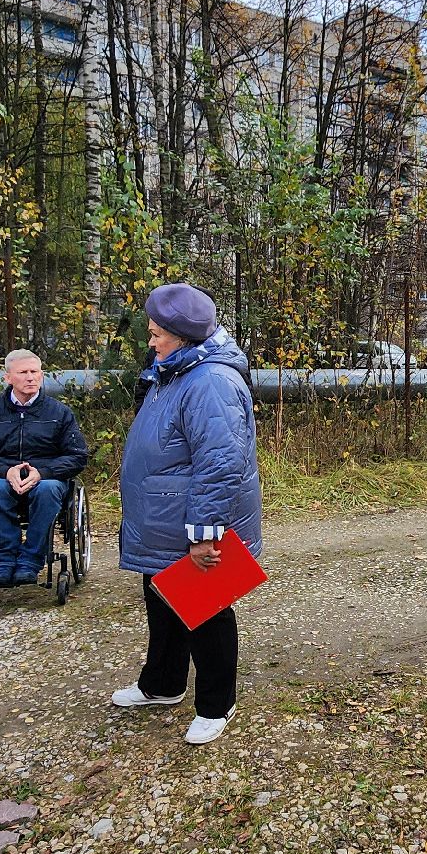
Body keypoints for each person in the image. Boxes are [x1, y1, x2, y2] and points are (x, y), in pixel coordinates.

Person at [112, 282, 262, 745]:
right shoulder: (174, 371)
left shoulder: (210, 381)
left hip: (195, 525)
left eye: (157, 333)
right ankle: (162, 684)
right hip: (163, 522)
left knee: (206, 610)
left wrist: (204, 534)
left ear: (183, 335)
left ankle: (217, 704)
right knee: (161, 601)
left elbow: (221, 463)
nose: (150, 340)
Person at [0, 350, 90, 586]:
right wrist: (5, 471)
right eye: (23, 372)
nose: (30, 377)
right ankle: (3, 560)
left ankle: (31, 560)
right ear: (8, 377)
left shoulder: (59, 413)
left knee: (47, 489)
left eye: (35, 372)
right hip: (3, 480)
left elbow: (77, 456)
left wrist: (42, 472)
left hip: (47, 481)